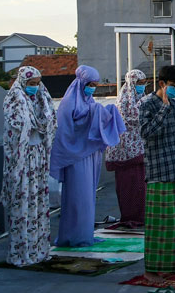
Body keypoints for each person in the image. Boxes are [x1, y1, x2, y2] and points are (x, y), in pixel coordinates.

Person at [49, 65, 125, 247]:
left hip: (89, 154)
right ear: (82, 82)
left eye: (95, 85)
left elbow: (94, 121)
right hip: (76, 156)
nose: (92, 88)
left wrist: (103, 112)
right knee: (77, 197)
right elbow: (67, 132)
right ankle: (73, 236)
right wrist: (96, 113)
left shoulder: (89, 101)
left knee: (87, 197)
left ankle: (84, 235)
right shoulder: (69, 103)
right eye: (90, 84)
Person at [138, 64, 175, 285]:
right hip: (159, 172)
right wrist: (163, 109)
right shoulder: (146, 104)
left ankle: (172, 265)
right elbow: (146, 133)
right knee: (158, 226)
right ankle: (151, 270)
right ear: (162, 84)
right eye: (174, 86)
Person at [1, 65, 57, 266]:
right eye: (31, 84)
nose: (34, 87)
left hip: (39, 158)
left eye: (37, 84)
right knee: (23, 203)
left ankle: (39, 250)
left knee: (39, 204)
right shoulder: (14, 101)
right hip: (22, 161)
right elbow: (18, 126)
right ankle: (22, 252)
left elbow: (51, 121)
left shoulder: (42, 100)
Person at [105, 69, 149, 227]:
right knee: (128, 187)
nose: (143, 87)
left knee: (141, 188)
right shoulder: (123, 101)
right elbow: (131, 120)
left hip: (140, 152)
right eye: (140, 84)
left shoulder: (142, 99)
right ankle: (130, 216)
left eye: (145, 83)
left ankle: (141, 216)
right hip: (125, 154)